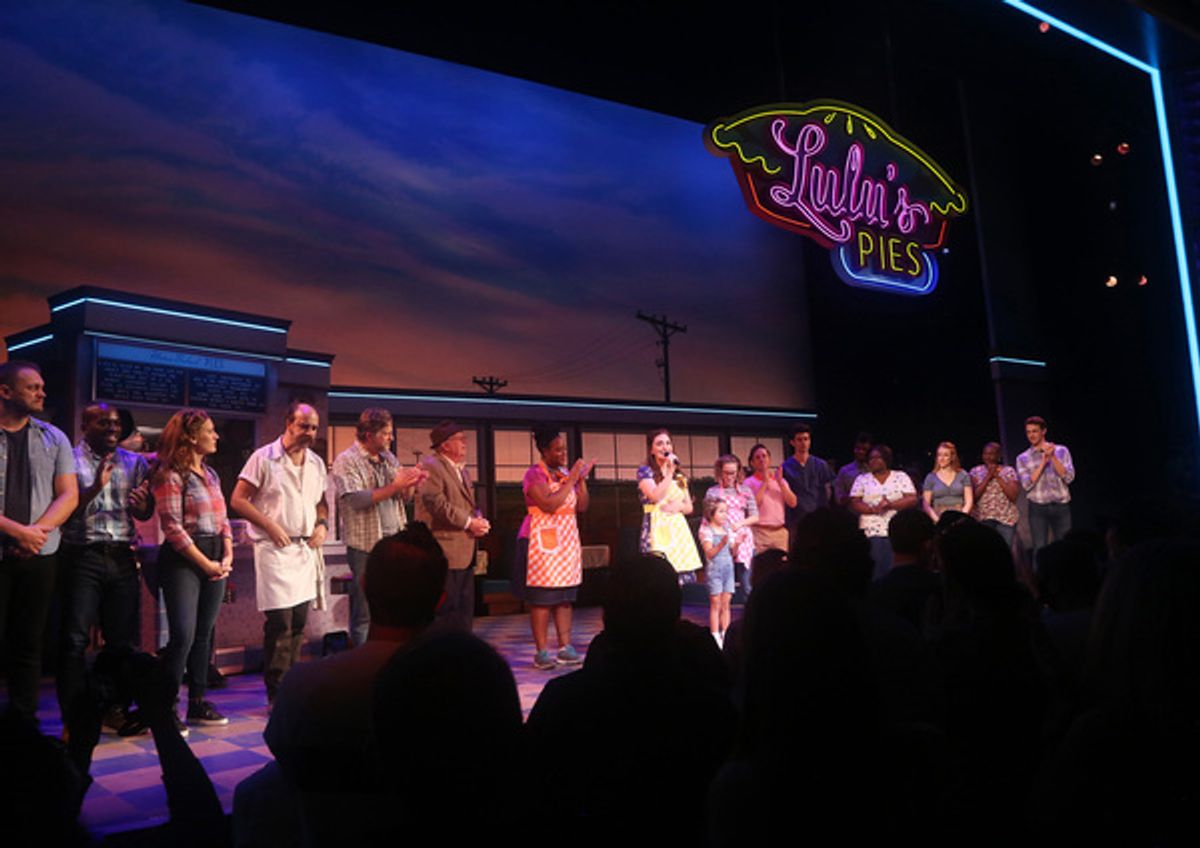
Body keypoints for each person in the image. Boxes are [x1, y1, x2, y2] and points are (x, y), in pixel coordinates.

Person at [235, 524, 450, 847]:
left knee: (254, 794)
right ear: (440, 600)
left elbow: (284, 753)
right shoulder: (469, 677)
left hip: (328, 831)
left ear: (363, 586)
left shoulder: (305, 685)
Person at [57, 402, 153, 735]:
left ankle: (115, 708)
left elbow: (143, 512)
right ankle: (74, 716)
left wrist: (145, 506)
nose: (113, 428)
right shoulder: (68, 460)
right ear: (85, 426)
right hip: (82, 555)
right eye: (103, 423)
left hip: (122, 556)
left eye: (115, 424)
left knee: (121, 641)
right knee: (74, 639)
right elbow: (65, 512)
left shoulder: (135, 462)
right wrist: (95, 488)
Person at [231, 402, 328, 703]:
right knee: (280, 624)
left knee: (299, 623)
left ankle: (291, 685)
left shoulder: (316, 463)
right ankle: (277, 691)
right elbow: (238, 499)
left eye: (314, 427)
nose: (309, 432)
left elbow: (321, 502)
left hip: (303, 550)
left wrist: (322, 525)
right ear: (288, 423)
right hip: (274, 549)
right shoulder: (264, 458)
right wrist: (269, 525)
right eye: (304, 426)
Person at [0, 361, 78, 728]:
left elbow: (68, 495)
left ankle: (22, 722)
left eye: (42, 386)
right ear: (5, 391)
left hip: (40, 554)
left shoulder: (54, 437)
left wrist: (34, 534)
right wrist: (18, 532)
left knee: (28, 643)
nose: (42, 393)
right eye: (33, 387)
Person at [152, 408, 232, 731]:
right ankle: (166, 706)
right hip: (184, 558)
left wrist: (227, 554)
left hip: (215, 551)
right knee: (183, 634)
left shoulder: (211, 475)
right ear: (191, 436)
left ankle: (197, 703)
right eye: (209, 431)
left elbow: (224, 520)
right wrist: (205, 563)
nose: (216, 436)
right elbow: (172, 528)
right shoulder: (171, 474)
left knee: (204, 634)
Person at [330, 407, 426, 647]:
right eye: (386, 433)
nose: (391, 438)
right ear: (368, 435)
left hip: (394, 542)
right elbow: (356, 500)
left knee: (395, 605)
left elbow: (403, 498)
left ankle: (392, 655)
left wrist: (411, 483)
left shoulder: (389, 458)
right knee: (365, 610)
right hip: (366, 545)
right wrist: (396, 486)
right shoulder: (346, 460)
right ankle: (363, 661)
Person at [515, 425, 592, 670]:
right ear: (544, 450)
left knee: (564, 598)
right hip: (541, 543)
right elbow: (548, 504)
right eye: (558, 450)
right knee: (542, 599)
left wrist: (581, 481)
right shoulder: (534, 475)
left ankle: (565, 647)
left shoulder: (565, 474)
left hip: (566, 542)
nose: (563, 454)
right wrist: (571, 480)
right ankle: (541, 651)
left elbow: (582, 506)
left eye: (564, 449)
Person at [413, 420, 489, 632]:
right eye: (460, 439)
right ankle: (443, 650)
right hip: (444, 549)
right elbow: (436, 503)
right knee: (445, 609)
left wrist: (478, 520)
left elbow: (466, 504)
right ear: (445, 445)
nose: (465, 443)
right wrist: (469, 523)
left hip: (464, 550)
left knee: (464, 609)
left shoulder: (462, 470)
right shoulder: (431, 465)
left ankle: (461, 647)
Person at [635, 429, 702, 579]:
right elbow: (655, 496)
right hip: (656, 525)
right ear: (651, 449)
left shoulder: (679, 476)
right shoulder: (645, 472)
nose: (665, 447)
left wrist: (679, 506)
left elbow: (689, 507)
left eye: (668, 443)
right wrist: (669, 472)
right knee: (660, 574)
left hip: (678, 528)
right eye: (659, 444)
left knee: (683, 574)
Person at [849, 444, 918, 579]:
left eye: (877, 458)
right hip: (871, 530)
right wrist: (872, 509)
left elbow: (912, 499)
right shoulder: (862, 479)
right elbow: (854, 502)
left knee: (895, 570)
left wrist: (890, 505)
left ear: (886, 459)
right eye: (870, 458)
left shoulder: (900, 476)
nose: (873, 461)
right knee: (876, 569)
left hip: (896, 530)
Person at [1016, 416, 1075, 557]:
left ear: (1044, 431)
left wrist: (1052, 457)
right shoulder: (1022, 458)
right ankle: (1040, 572)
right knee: (1040, 547)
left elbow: (1069, 477)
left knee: (1065, 546)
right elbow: (1026, 485)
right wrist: (1043, 462)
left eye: (1035, 431)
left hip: (1061, 505)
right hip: (1038, 507)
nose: (1031, 435)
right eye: (1028, 432)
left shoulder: (1061, 450)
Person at [704, 454, 758, 590]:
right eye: (726, 473)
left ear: (738, 472)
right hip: (721, 538)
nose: (729, 476)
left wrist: (739, 524)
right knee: (721, 585)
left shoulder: (745, 490)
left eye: (733, 473)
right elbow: (707, 518)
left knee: (747, 584)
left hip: (742, 538)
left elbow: (755, 516)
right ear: (720, 472)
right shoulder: (713, 492)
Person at [780, 422, 834, 543]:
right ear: (792, 442)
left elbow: (828, 493)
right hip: (796, 520)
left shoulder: (820, 465)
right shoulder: (785, 467)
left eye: (806, 439)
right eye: (799, 440)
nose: (803, 443)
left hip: (818, 518)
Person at [698, 495, 738, 647]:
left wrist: (737, 544)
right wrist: (721, 544)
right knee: (716, 604)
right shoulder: (706, 530)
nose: (725, 515)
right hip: (715, 571)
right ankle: (715, 636)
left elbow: (733, 552)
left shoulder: (727, 529)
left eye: (726, 511)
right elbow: (709, 553)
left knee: (726, 604)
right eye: (721, 511)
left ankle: (725, 634)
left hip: (728, 570)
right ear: (711, 513)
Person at [744, 443, 794, 555]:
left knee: (781, 565)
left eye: (764, 456)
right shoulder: (748, 483)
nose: (761, 459)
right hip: (759, 532)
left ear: (770, 459)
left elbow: (793, 503)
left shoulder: (780, 480)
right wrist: (765, 483)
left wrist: (780, 483)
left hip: (779, 532)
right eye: (757, 457)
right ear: (752, 463)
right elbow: (751, 506)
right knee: (760, 564)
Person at [968, 441, 1019, 548]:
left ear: (998, 455)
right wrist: (988, 477)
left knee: (1004, 551)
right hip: (983, 518)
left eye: (991, 453)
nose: (988, 457)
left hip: (1006, 519)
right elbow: (974, 497)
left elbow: (1013, 496)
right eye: (985, 453)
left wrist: (997, 476)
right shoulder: (975, 471)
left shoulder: (1009, 471)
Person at [922, 441, 973, 521]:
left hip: (959, 516)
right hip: (938, 516)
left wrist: (961, 518)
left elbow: (969, 501)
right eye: (939, 455)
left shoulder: (963, 475)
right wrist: (938, 520)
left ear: (952, 457)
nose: (941, 459)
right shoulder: (931, 477)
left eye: (945, 455)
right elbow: (926, 504)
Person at [833, 432, 873, 507]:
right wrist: (853, 498)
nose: (860, 452)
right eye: (858, 448)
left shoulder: (875, 470)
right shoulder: (845, 471)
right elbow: (838, 497)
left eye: (864, 449)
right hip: (850, 512)